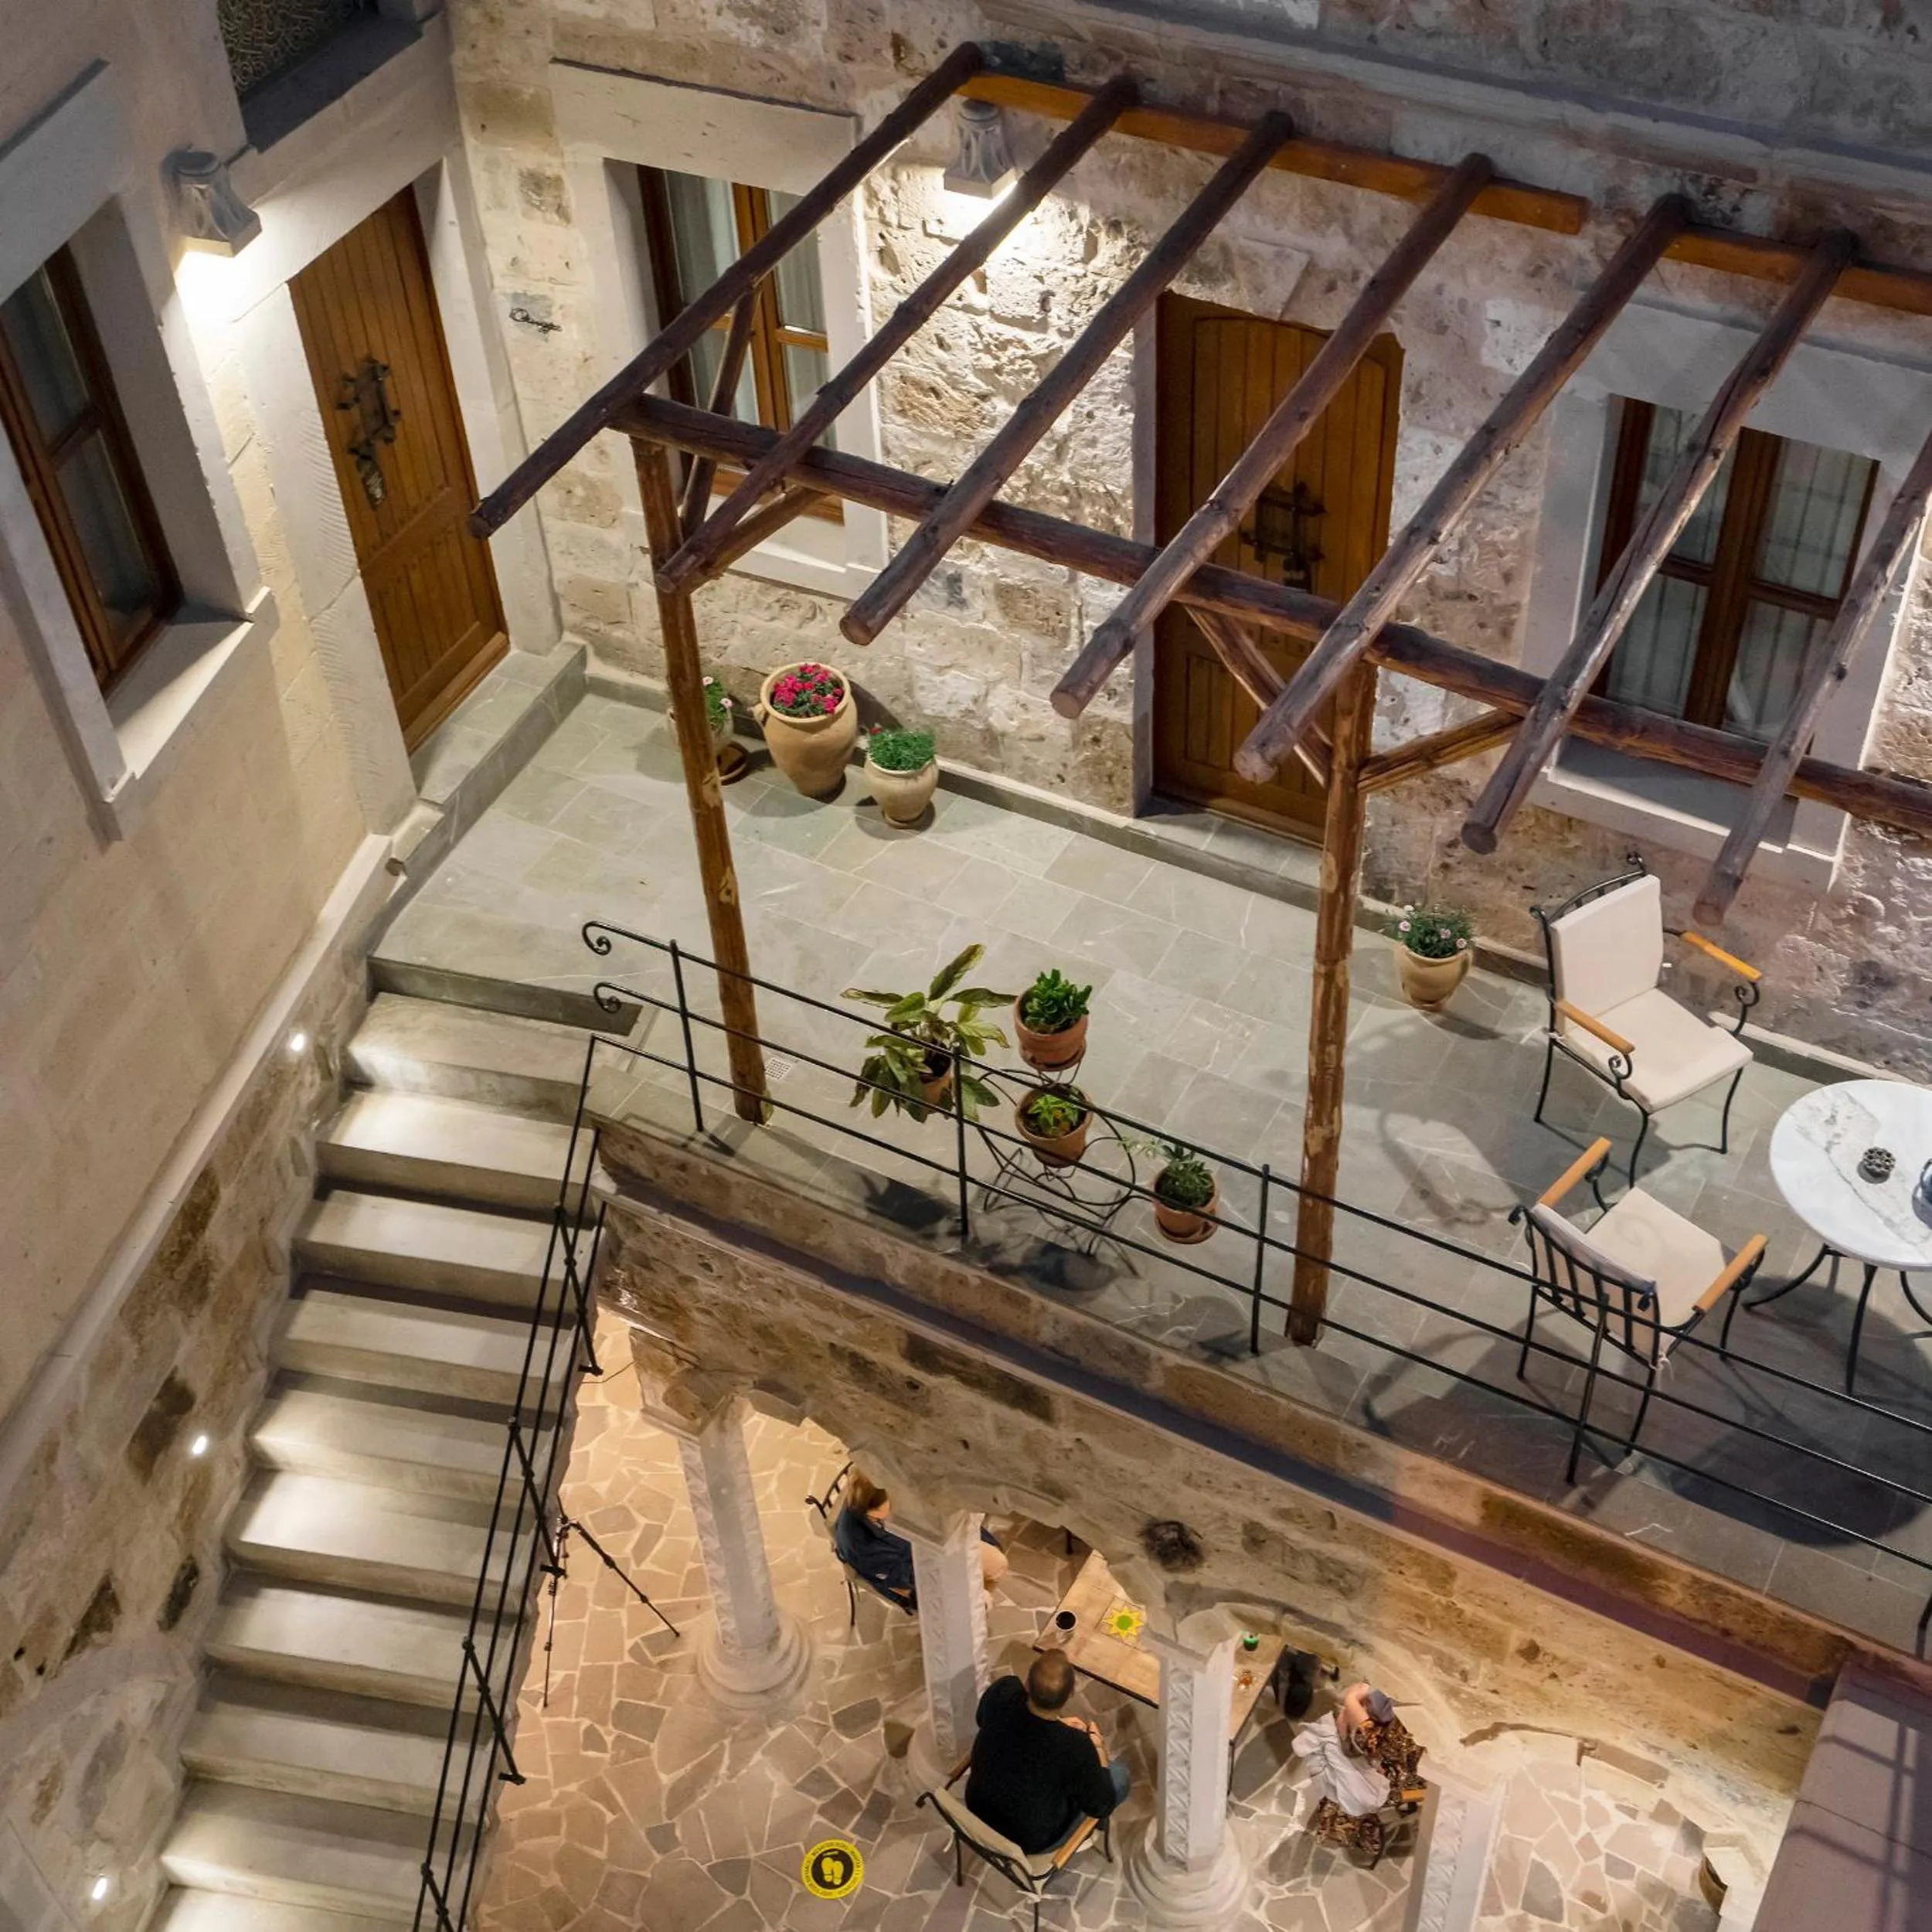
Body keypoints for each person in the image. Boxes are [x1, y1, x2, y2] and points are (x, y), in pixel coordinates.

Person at [964, 1652, 1129, 1855]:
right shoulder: (1076, 1747)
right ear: (1070, 1694)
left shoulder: (1004, 1692)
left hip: (977, 1806)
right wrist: (1099, 1749)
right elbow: (1101, 1806)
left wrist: (1059, 1725)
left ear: (1026, 1683)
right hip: (1027, 1839)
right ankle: (1086, 1832)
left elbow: (982, 1718)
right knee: (1119, 1776)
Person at [832, 1472, 1007, 1608]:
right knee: (972, 1599)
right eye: (891, 1502)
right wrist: (964, 1592)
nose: (898, 1503)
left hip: (933, 1544)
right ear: (873, 1511)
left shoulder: (887, 1498)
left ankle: (978, 1600)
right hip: (917, 1574)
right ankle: (973, 1609)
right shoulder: (861, 1547)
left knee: (998, 1564)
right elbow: (903, 1582)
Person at [1292, 1682, 1427, 1859]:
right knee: (1345, 1789)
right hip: (1380, 1770)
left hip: (1387, 1777)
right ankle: (1345, 1820)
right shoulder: (1386, 1721)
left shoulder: (1389, 1734)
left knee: (1348, 1793)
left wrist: (1352, 1702)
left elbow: (1371, 1740)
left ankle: (1346, 1823)